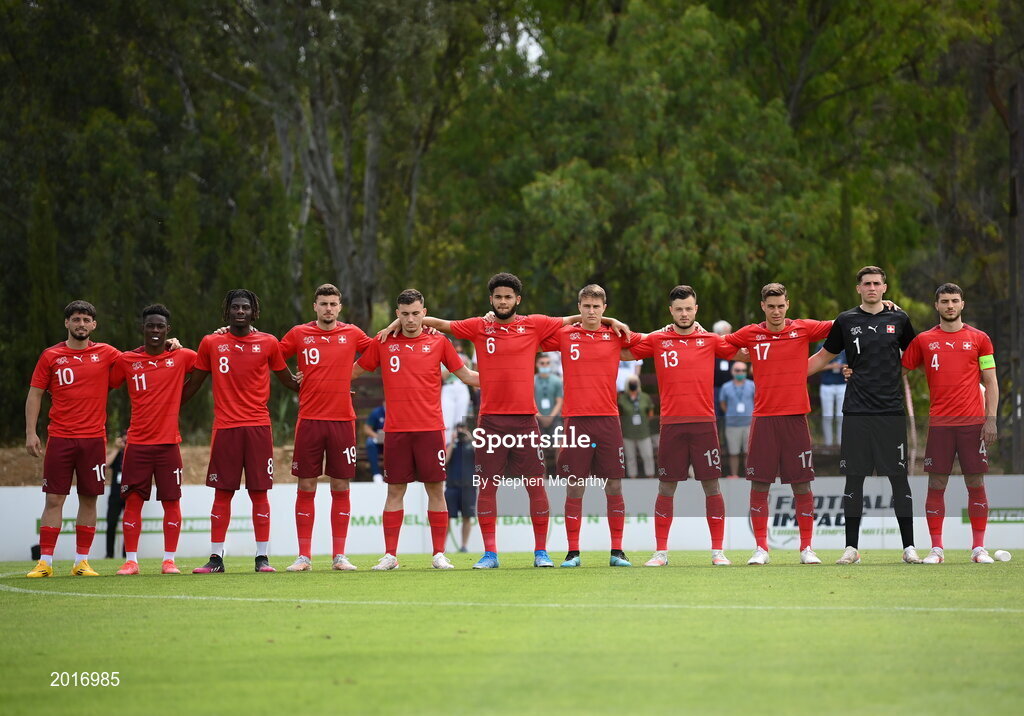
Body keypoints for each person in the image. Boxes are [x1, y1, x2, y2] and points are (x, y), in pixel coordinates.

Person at [385, 271, 627, 569]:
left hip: (526, 421)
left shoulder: (534, 324)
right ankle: (490, 554)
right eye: (498, 297)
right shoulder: (478, 326)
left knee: (535, 485)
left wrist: (609, 321)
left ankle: (541, 552)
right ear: (491, 299)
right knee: (487, 487)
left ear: (517, 299)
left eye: (508, 297)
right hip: (490, 422)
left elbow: (575, 318)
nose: (502, 301)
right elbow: (442, 324)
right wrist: (401, 322)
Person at [354, 289, 479, 570]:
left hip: (431, 429)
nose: (410, 319)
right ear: (397, 314)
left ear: (424, 312)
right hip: (397, 431)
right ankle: (390, 556)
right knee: (395, 491)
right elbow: (354, 371)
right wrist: (316, 379)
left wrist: (505, 380)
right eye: (405, 314)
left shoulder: (439, 342)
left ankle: (438, 554)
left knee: (436, 489)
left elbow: (466, 375)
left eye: (415, 313)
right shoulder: (384, 341)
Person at [807, 267, 921, 565]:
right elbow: (822, 357)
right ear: (858, 288)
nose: (871, 288)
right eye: (866, 284)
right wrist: (784, 376)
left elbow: (915, 356)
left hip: (890, 411)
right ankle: (851, 548)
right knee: (854, 479)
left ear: (885, 287)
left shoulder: (899, 318)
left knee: (898, 478)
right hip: (857, 410)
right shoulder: (846, 321)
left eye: (876, 283)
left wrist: (891, 376)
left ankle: (909, 546)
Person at [181, 289, 300, 574]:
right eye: (235, 307)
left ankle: (262, 558)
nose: (240, 311)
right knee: (222, 494)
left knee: (259, 494)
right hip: (225, 429)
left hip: (259, 428)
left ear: (253, 312)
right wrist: (164, 403)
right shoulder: (211, 342)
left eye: (245, 307)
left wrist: (328, 385)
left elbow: (290, 381)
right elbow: (194, 383)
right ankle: (215, 558)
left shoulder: (268, 342)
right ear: (227, 311)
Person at [626, 286, 738, 567]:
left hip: (704, 424)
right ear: (671, 311)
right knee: (666, 487)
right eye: (679, 309)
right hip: (672, 425)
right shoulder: (658, 339)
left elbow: (744, 354)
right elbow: (622, 350)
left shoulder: (711, 339)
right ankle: (661, 552)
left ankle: (717, 551)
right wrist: (609, 323)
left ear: (696, 309)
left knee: (712, 486)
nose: (684, 313)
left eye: (689, 308)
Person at [724, 283, 832, 566]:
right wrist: (736, 354)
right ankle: (761, 548)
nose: (776, 311)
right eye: (770, 306)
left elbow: (842, 324)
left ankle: (806, 548)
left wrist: (878, 310)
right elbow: (719, 345)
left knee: (802, 486)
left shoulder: (803, 329)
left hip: (796, 418)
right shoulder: (750, 333)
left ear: (788, 304)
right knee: (759, 485)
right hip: (763, 419)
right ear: (763, 306)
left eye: (780, 306)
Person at [540, 284, 642, 568]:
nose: (591, 311)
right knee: (575, 486)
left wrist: (614, 323)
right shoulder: (565, 334)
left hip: (608, 420)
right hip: (575, 420)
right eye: (586, 306)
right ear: (579, 307)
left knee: (614, 485)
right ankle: (573, 552)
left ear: (604, 308)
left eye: (597, 307)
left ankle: (617, 551)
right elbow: (535, 333)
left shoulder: (616, 335)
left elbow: (647, 342)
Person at [901, 283, 998, 564]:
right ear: (937, 306)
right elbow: (898, 368)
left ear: (962, 304)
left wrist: (990, 419)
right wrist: (855, 370)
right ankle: (937, 549)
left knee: (976, 482)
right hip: (940, 424)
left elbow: (991, 381)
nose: (950, 306)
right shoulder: (924, 340)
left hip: (973, 423)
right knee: (936, 483)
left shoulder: (980, 339)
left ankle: (979, 549)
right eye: (944, 301)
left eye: (955, 301)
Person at [279, 284, 372, 572]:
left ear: (340, 307)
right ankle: (304, 556)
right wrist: (291, 379)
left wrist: (423, 328)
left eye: (333, 303)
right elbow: (272, 356)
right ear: (315, 307)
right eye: (323, 303)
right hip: (309, 420)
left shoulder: (353, 333)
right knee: (306, 485)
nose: (328, 308)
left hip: (343, 421)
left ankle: (339, 556)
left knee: (340, 485)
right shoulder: (299, 334)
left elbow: (381, 347)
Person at [26, 300, 123, 578]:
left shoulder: (106, 353)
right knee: (54, 500)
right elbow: (34, 394)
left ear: (94, 325)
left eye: (86, 320)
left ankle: (82, 561)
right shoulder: (50, 356)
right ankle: (45, 562)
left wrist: (169, 346)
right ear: (67, 323)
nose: (81, 324)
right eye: (76, 319)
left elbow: (138, 358)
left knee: (89, 499)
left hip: (93, 440)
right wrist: (31, 432)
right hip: (60, 438)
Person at [109, 304, 198, 575]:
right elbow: (109, 382)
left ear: (168, 330)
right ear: (142, 328)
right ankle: (131, 560)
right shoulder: (127, 361)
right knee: (133, 501)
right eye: (151, 326)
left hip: (169, 444)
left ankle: (169, 560)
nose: (156, 330)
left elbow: (209, 362)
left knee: (171, 502)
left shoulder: (182, 356)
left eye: (161, 326)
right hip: (136, 445)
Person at [719, 361, 754, 479]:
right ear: (732, 371)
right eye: (738, 370)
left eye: (743, 370)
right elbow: (722, 403)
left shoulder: (752, 385)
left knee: (748, 452)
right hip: (732, 424)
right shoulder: (726, 387)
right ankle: (734, 475)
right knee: (733, 452)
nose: (740, 373)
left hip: (749, 424)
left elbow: (756, 401)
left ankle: (749, 473)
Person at [445, 422, 477, 552]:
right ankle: (442, 547)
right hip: (452, 486)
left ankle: (464, 545)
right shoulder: (451, 445)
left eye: (463, 429)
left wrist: (471, 439)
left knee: (467, 517)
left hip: (468, 486)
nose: (460, 432)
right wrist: (452, 442)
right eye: (458, 429)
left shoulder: (472, 445)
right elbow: (445, 460)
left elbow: (481, 457)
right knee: (446, 517)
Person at [618, 376, 655, 479]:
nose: (633, 383)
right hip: (628, 432)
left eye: (634, 382)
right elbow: (619, 413)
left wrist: (645, 421)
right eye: (631, 382)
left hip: (643, 432)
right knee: (630, 457)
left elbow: (650, 411)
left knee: (647, 455)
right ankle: (632, 477)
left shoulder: (644, 397)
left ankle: (650, 476)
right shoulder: (622, 398)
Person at [104, 432, 126, 560]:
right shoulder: (117, 453)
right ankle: (109, 554)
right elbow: (105, 464)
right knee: (111, 523)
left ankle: (126, 554)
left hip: (130, 493)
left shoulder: (135, 453)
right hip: (116, 494)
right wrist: (117, 448)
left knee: (129, 524)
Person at [818, 348, 847, 446]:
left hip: (842, 385)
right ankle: (828, 444)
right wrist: (831, 366)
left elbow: (852, 365)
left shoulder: (845, 347)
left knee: (841, 416)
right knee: (827, 416)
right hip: (827, 385)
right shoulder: (821, 345)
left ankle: (841, 444)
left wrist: (841, 366)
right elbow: (816, 365)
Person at [534, 354, 563, 437]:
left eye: (547, 363)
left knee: (555, 446)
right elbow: (530, 400)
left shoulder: (557, 381)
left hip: (554, 418)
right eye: (542, 363)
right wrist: (540, 416)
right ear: (537, 364)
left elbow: (559, 401)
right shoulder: (533, 381)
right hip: (537, 418)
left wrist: (550, 417)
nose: (545, 365)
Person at [363, 405, 385, 481]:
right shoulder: (376, 412)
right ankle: (376, 474)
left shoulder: (397, 412)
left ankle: (397, 473)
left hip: (393, 440)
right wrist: (378, 437)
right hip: (379, 441)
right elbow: (366, 429)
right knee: (370, 443)